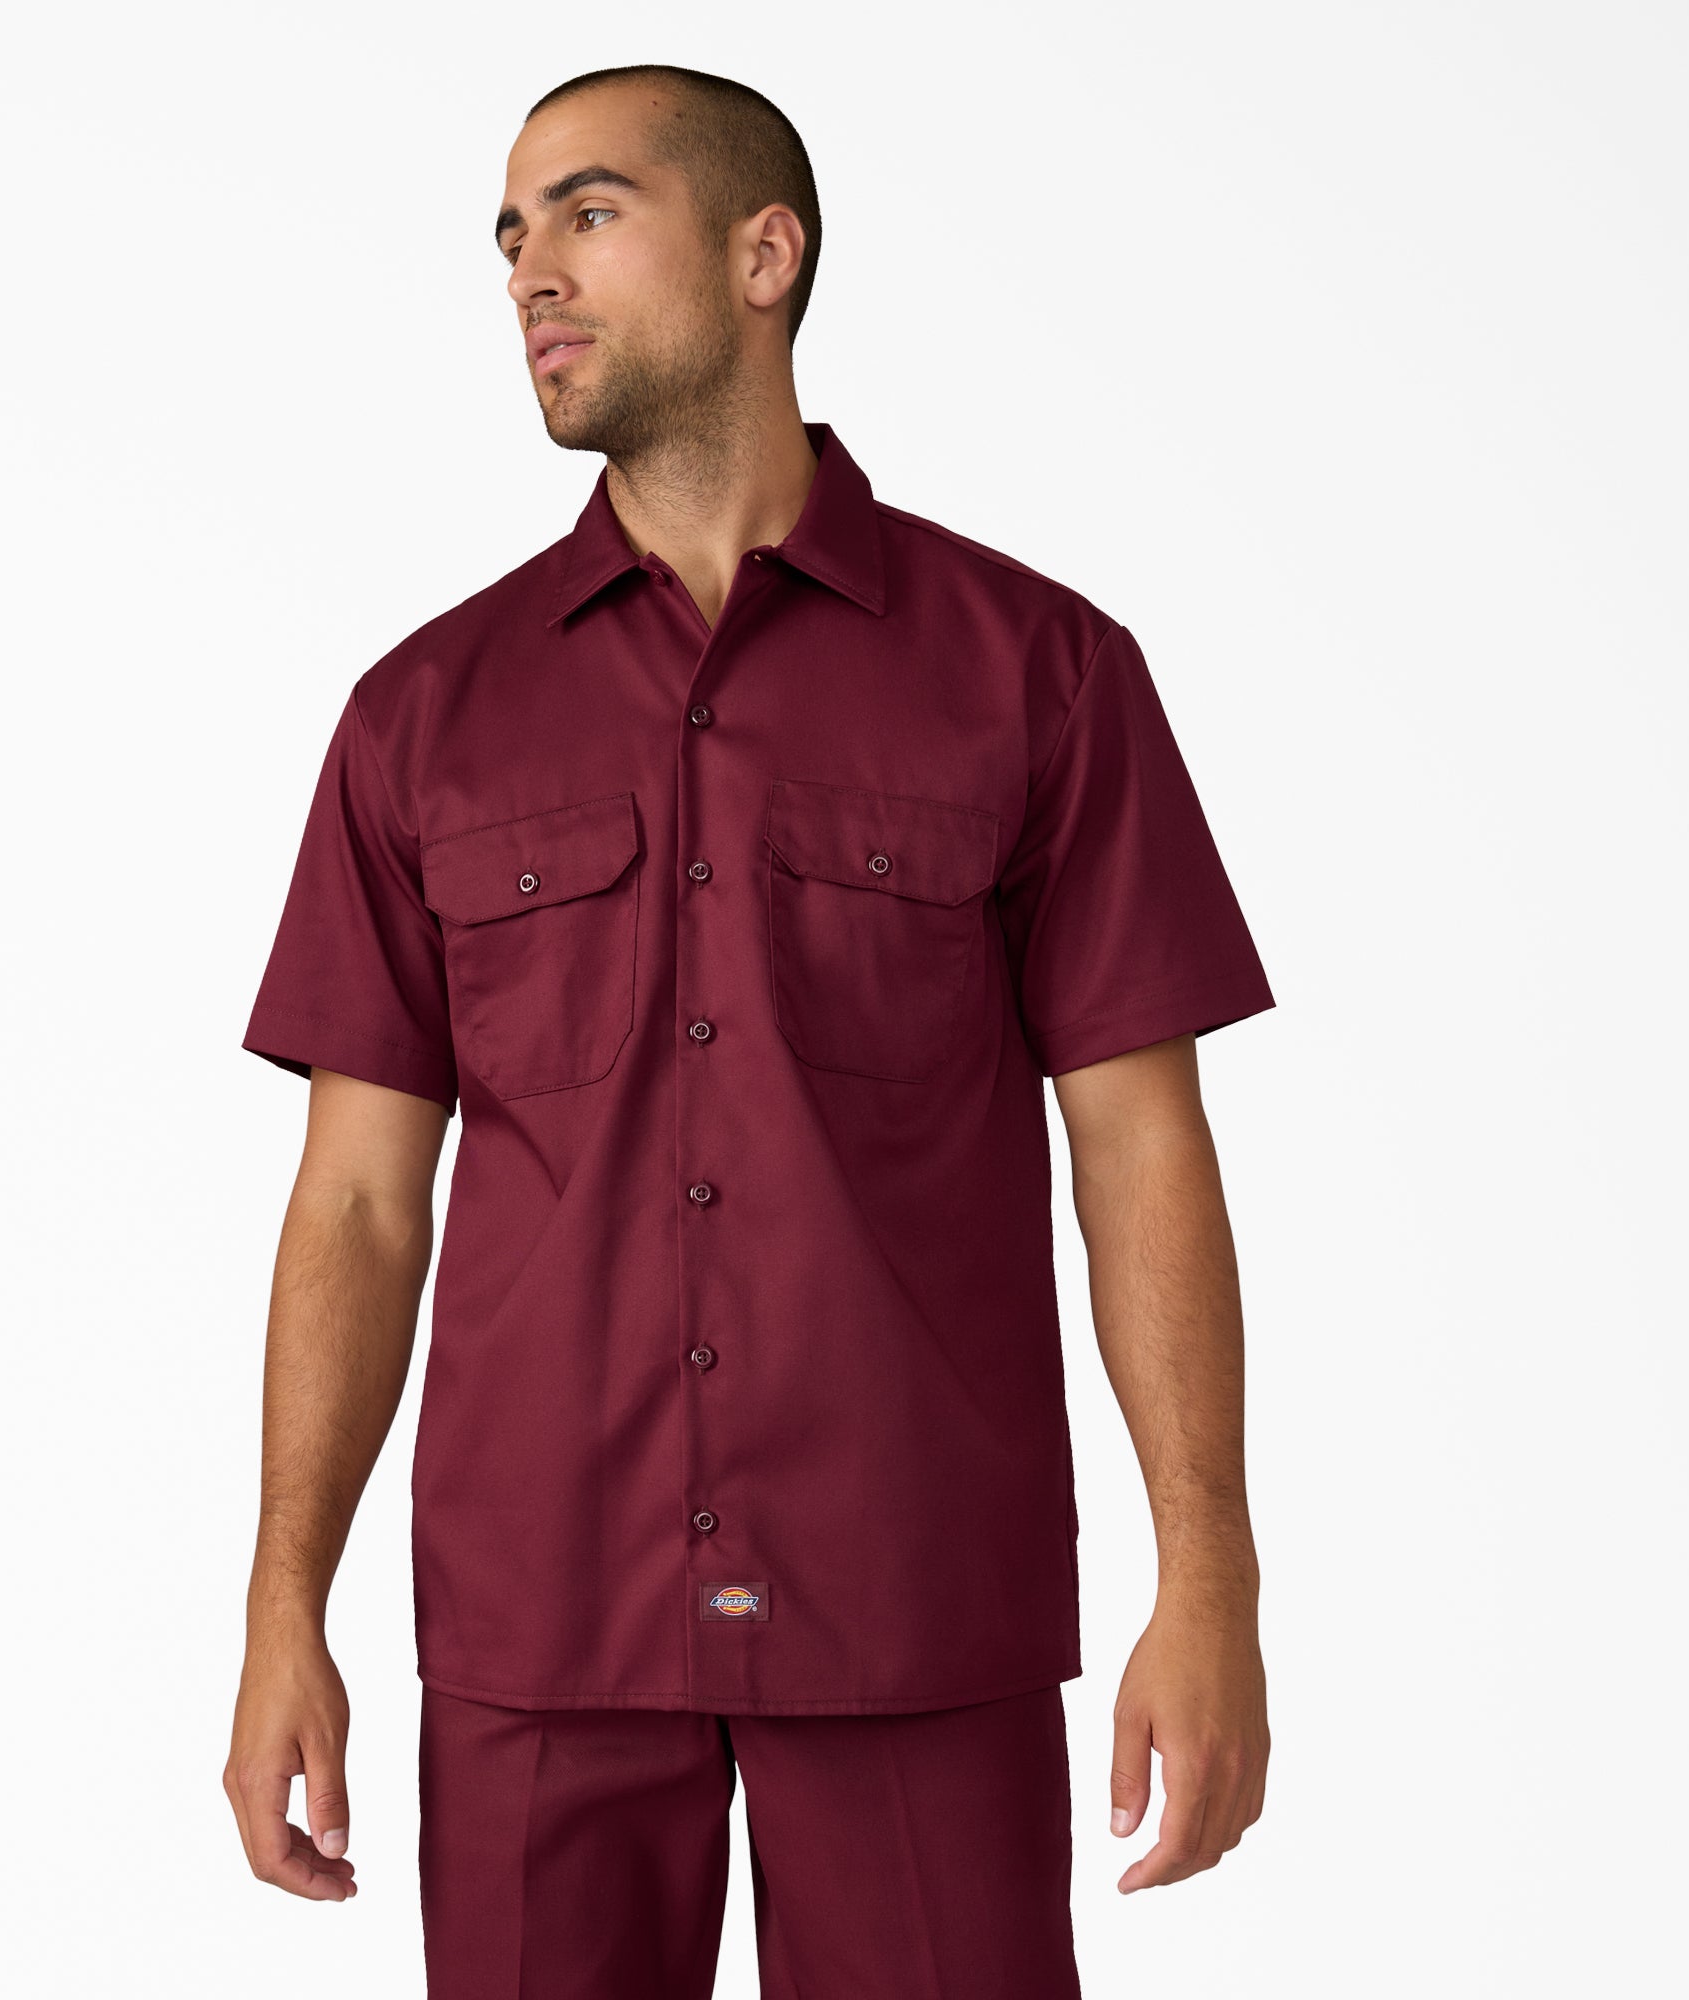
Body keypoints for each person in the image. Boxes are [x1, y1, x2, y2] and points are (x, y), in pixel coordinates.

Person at [222, 61, 1274, 1999]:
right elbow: (358, 1203)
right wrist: (283, 1603)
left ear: (762, 253)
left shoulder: (1038, 673)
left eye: (589, 213)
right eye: (510, 235)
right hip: (541, 1619)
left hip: (914, 1604)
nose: (530, 273)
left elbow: (1141, 1145)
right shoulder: (422, 716)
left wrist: (1207, 1578)